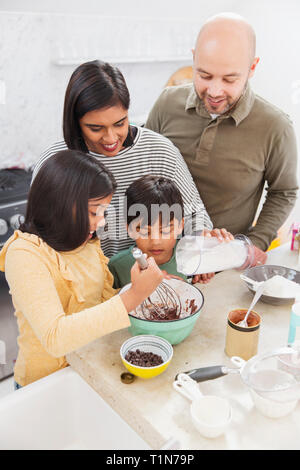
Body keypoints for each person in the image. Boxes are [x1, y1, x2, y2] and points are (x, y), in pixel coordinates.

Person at [0, 150, 164, 388]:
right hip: (44, 385)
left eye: (103, 211)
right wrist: (133, 295)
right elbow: (55, 337)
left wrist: (140, 294)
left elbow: (102, 304)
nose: (102, 221)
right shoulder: (25, 254)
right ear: (60, 204)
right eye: (93, 211)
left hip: (88, 370)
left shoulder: (85, 242)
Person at [146, 12, 298, 256]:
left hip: (222, 260)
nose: (214, 91)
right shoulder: (167, 103)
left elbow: (284, 192)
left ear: (252, 68)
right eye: (204, 75)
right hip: (157, 253)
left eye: (229, 79)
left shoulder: (276, 126)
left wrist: (254, 244)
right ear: (194, 59)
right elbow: (142, 166)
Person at [32, 60, 213, 259]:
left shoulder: (159, 151)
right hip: (82, 284)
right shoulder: (56, 161)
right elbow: (39, 238)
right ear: (75, 122)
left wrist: (199, 250)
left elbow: (196, 216)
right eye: (96, 128)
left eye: (120, 123)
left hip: (153, 277)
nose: (111, 138)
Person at [108, 175, 233, 288]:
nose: (156, 241)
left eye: (166, 230)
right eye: (145, 231)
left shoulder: (193, 255)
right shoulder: (116, 268)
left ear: (181, 225)